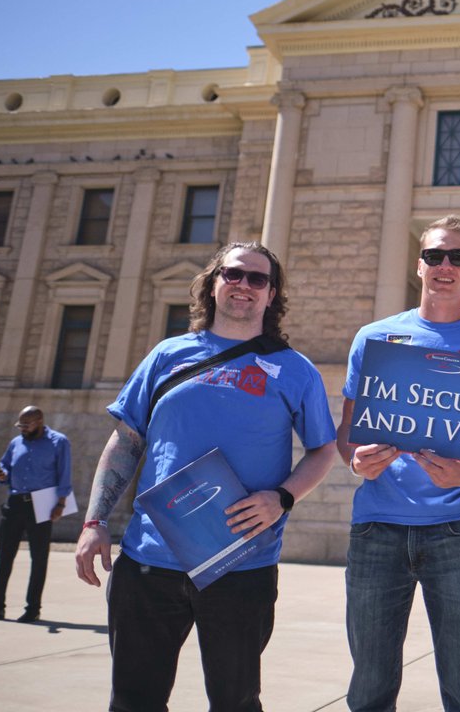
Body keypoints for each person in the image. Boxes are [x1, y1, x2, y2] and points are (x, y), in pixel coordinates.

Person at [74, 242, 338, 712]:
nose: (244, 286)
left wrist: (282, 497)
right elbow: (126, 442)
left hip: (242, 565)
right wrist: (95, 522)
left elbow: (323, 449)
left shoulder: (295, 370)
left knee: (235, 703)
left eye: (258, 279)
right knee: (133, 701)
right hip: (149, 561)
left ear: (271, 294)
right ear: (213, 282)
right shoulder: (166, 355)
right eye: (234, 274)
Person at [338, 216, 460, 712]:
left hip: (457, 533)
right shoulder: (375, 338)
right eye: (435, 255)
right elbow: (347, 433)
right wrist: (355, 461)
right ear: (419, 265)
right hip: (377, 530)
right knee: (369, 689)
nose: (445, 265)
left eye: (457, 257)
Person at [0, 405, 71, 623]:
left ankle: (32, 609)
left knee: (38, 559)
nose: (23, 429)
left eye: (26, 425)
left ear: (39, 421)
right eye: (20, 425)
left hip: (42, 503)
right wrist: (1, 474)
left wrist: (61, 505)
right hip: (15, 502)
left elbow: (64, 475)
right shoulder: (16, 443)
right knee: (5, 557)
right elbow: (6, 468)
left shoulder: (59, 442)